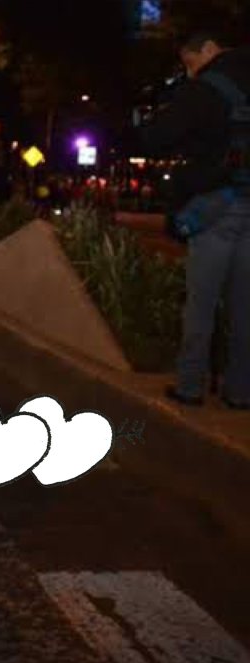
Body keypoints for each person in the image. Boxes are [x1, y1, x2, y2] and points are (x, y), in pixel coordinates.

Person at [140, 30, 250, 410]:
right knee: (244, 306)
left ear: (207, 49)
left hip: (218, 206)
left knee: (201, 303)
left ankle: (190, 386)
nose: (189, 73)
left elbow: (157, 137)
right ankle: (240, 391)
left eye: (189, 63)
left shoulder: (205, 89)